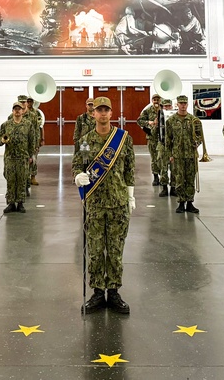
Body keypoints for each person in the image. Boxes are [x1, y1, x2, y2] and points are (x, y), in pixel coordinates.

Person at [73, 96, 135, 314]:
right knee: (97, 250)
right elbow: (76, 165)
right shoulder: (85, 140)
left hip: (118, 203)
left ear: (111, 113)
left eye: (105, 110)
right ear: (93, 114)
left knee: (116, 250)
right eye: (98, 110)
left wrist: (131, 196)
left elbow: (129, 169)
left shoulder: (123, 138)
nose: (102, 113)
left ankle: (114, 291)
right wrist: (78, 177)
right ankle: (98, 292)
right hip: (95, 204)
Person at [165, 95, 201, 214]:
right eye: (181, 103)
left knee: (190, 178)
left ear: (188, 104)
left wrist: (198, 143)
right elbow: (168, 139)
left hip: (191, 154)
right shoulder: (171, 121)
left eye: (185, 103)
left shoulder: (194, 120)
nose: (183, 105)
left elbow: (200, 136)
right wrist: (170, 154)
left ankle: (190, 202)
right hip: (178, 155)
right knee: (179, 179)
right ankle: (181, 202)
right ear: (177, 104)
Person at [0, 100, 33, 213]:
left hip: (23, 157)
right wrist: (2, 140)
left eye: (19, 109)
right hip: (10, 157)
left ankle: (21, 203)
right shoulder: (6, 125)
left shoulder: (28, 124)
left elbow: (32, 141)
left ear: (22, 111)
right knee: (11, 180)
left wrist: (31, 155)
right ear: (12, 111)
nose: (17, 111)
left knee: (22, 180)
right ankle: (11, 203)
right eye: (15, 109)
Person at [136, 94, 163, 186]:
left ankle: (164, 177)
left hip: (163, 139)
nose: (156, 101)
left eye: (158, 99)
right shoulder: (148, 111)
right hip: (152, 138)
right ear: (152, 100)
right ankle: (156, 177)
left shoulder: (164, 110)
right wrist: (149, 122)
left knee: (163, 158)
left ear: (160, 100)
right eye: (154, 99)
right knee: (154, 158)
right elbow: (139, 120)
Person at [21, 95, 43, 187]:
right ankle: (23, 178)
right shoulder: (17, 113)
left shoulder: (35, 114)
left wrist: (38, 141)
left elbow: (38, 128)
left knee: (33, 159)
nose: (28, 103)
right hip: (22, 142)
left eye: (30, 101)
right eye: (27, 101)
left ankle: (33, 176)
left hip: (32, 141)